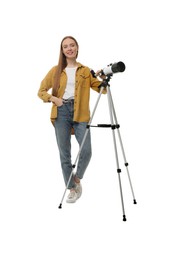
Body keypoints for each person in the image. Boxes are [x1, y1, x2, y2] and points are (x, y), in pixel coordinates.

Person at [38, 36, 106, 203]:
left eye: (72, 45)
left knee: (86, 150)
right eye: (65, 46)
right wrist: (54, 99)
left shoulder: (85, 70)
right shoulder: (55, 70)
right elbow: (41, 91)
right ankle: (71, 189)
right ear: (62, 51)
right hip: (61, 112)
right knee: (65, 153)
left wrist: (103, 78)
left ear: (77, 48)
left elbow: (102, 90)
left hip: (80, 112)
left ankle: (76, 179)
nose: (69, 48)